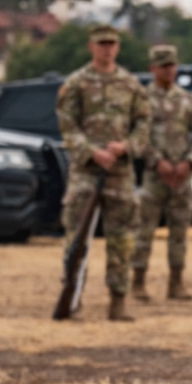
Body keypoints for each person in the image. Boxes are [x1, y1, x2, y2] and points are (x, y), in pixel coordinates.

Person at [55, 23, 152, 321]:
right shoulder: (77, 82)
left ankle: (118, 301)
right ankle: (72, 297)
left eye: (112, 43)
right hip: (86, 171)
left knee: (122, 238)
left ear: (118, 47)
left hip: (120, 172)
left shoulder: (131, 84)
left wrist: (125, 147)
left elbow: (144, 124)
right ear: (91, 46)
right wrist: (91, 151)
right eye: (101, 43)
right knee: (76, 236)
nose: (107, 48)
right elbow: (67, 123)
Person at [132, 43, 192, 302]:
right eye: (163, 66)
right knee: (144, 229)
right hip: (154, 176)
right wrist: (157, 162)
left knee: (179, 231)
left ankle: (176, 283)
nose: (168, 70)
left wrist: (189, 162)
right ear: (152, 68)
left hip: (183, 177)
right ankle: (138, 282)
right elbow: (139, 136)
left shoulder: (188, 100)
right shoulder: (141, 100)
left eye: (172, 65)